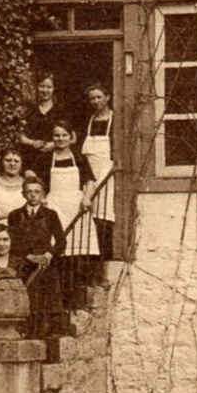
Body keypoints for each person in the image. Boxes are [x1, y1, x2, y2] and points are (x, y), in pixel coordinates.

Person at [43, 121, 99, 297]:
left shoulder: (79, 158)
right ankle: (60, 292)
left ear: (70, 137)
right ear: (52, 138)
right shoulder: (46, 159)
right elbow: (39, 182)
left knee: (77, 248)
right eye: (57, 135)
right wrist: (43, 199)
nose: (60, 139)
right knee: (57, 247)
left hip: (75, 205)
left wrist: (87, 198)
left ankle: (76, 291)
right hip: (55, 206)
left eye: (64, 135)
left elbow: (89, 181)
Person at [7, 175, 66, 340]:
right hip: (24, 265)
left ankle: (46, 341)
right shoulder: (15, 215)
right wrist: (29, 257)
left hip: (46, 266)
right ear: (23, 194)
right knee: (27, 303)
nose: (33, 195)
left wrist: (49, 255)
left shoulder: (50, 215)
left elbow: (61, 241)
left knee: (47, 306)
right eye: (29, 192)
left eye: (37, 192)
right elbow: (12, 242)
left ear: (43, 194)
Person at [81, 83, 117, 261]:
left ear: (107, 97)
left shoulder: (115, 121)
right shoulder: (87, 122)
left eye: (99, 97)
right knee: (88, 217)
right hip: (89, 175)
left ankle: (105, 259)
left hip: (107, 175)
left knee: (104, 217)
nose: (95, 101)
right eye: (92, 98)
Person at [19, 73, 60, 180]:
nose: (45, 90)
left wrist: (54, 144)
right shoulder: (30, 111)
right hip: (31, 158)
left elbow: (72, 138)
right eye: (42, 86)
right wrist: (32, 142)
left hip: (54, 158)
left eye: (49, 87)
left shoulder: (60, 111)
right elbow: (20, 135)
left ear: (54, 89)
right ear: (37, 87)